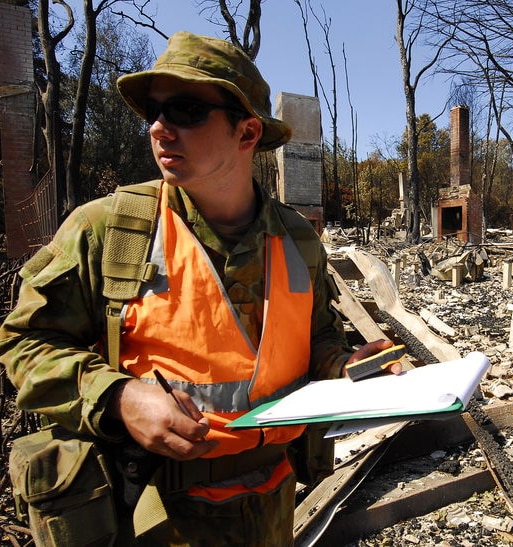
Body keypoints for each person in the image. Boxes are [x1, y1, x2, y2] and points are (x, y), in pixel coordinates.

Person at [0, 31, 395, 546]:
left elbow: (314, 344)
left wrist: (350, 368)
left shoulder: (298, 239)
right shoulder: (108, 230)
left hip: (271, 504)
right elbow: (25, 345)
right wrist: (119, 396)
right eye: (155, 113)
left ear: (247, 133)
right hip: (153, 514)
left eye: (186, 109)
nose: (161, 129)